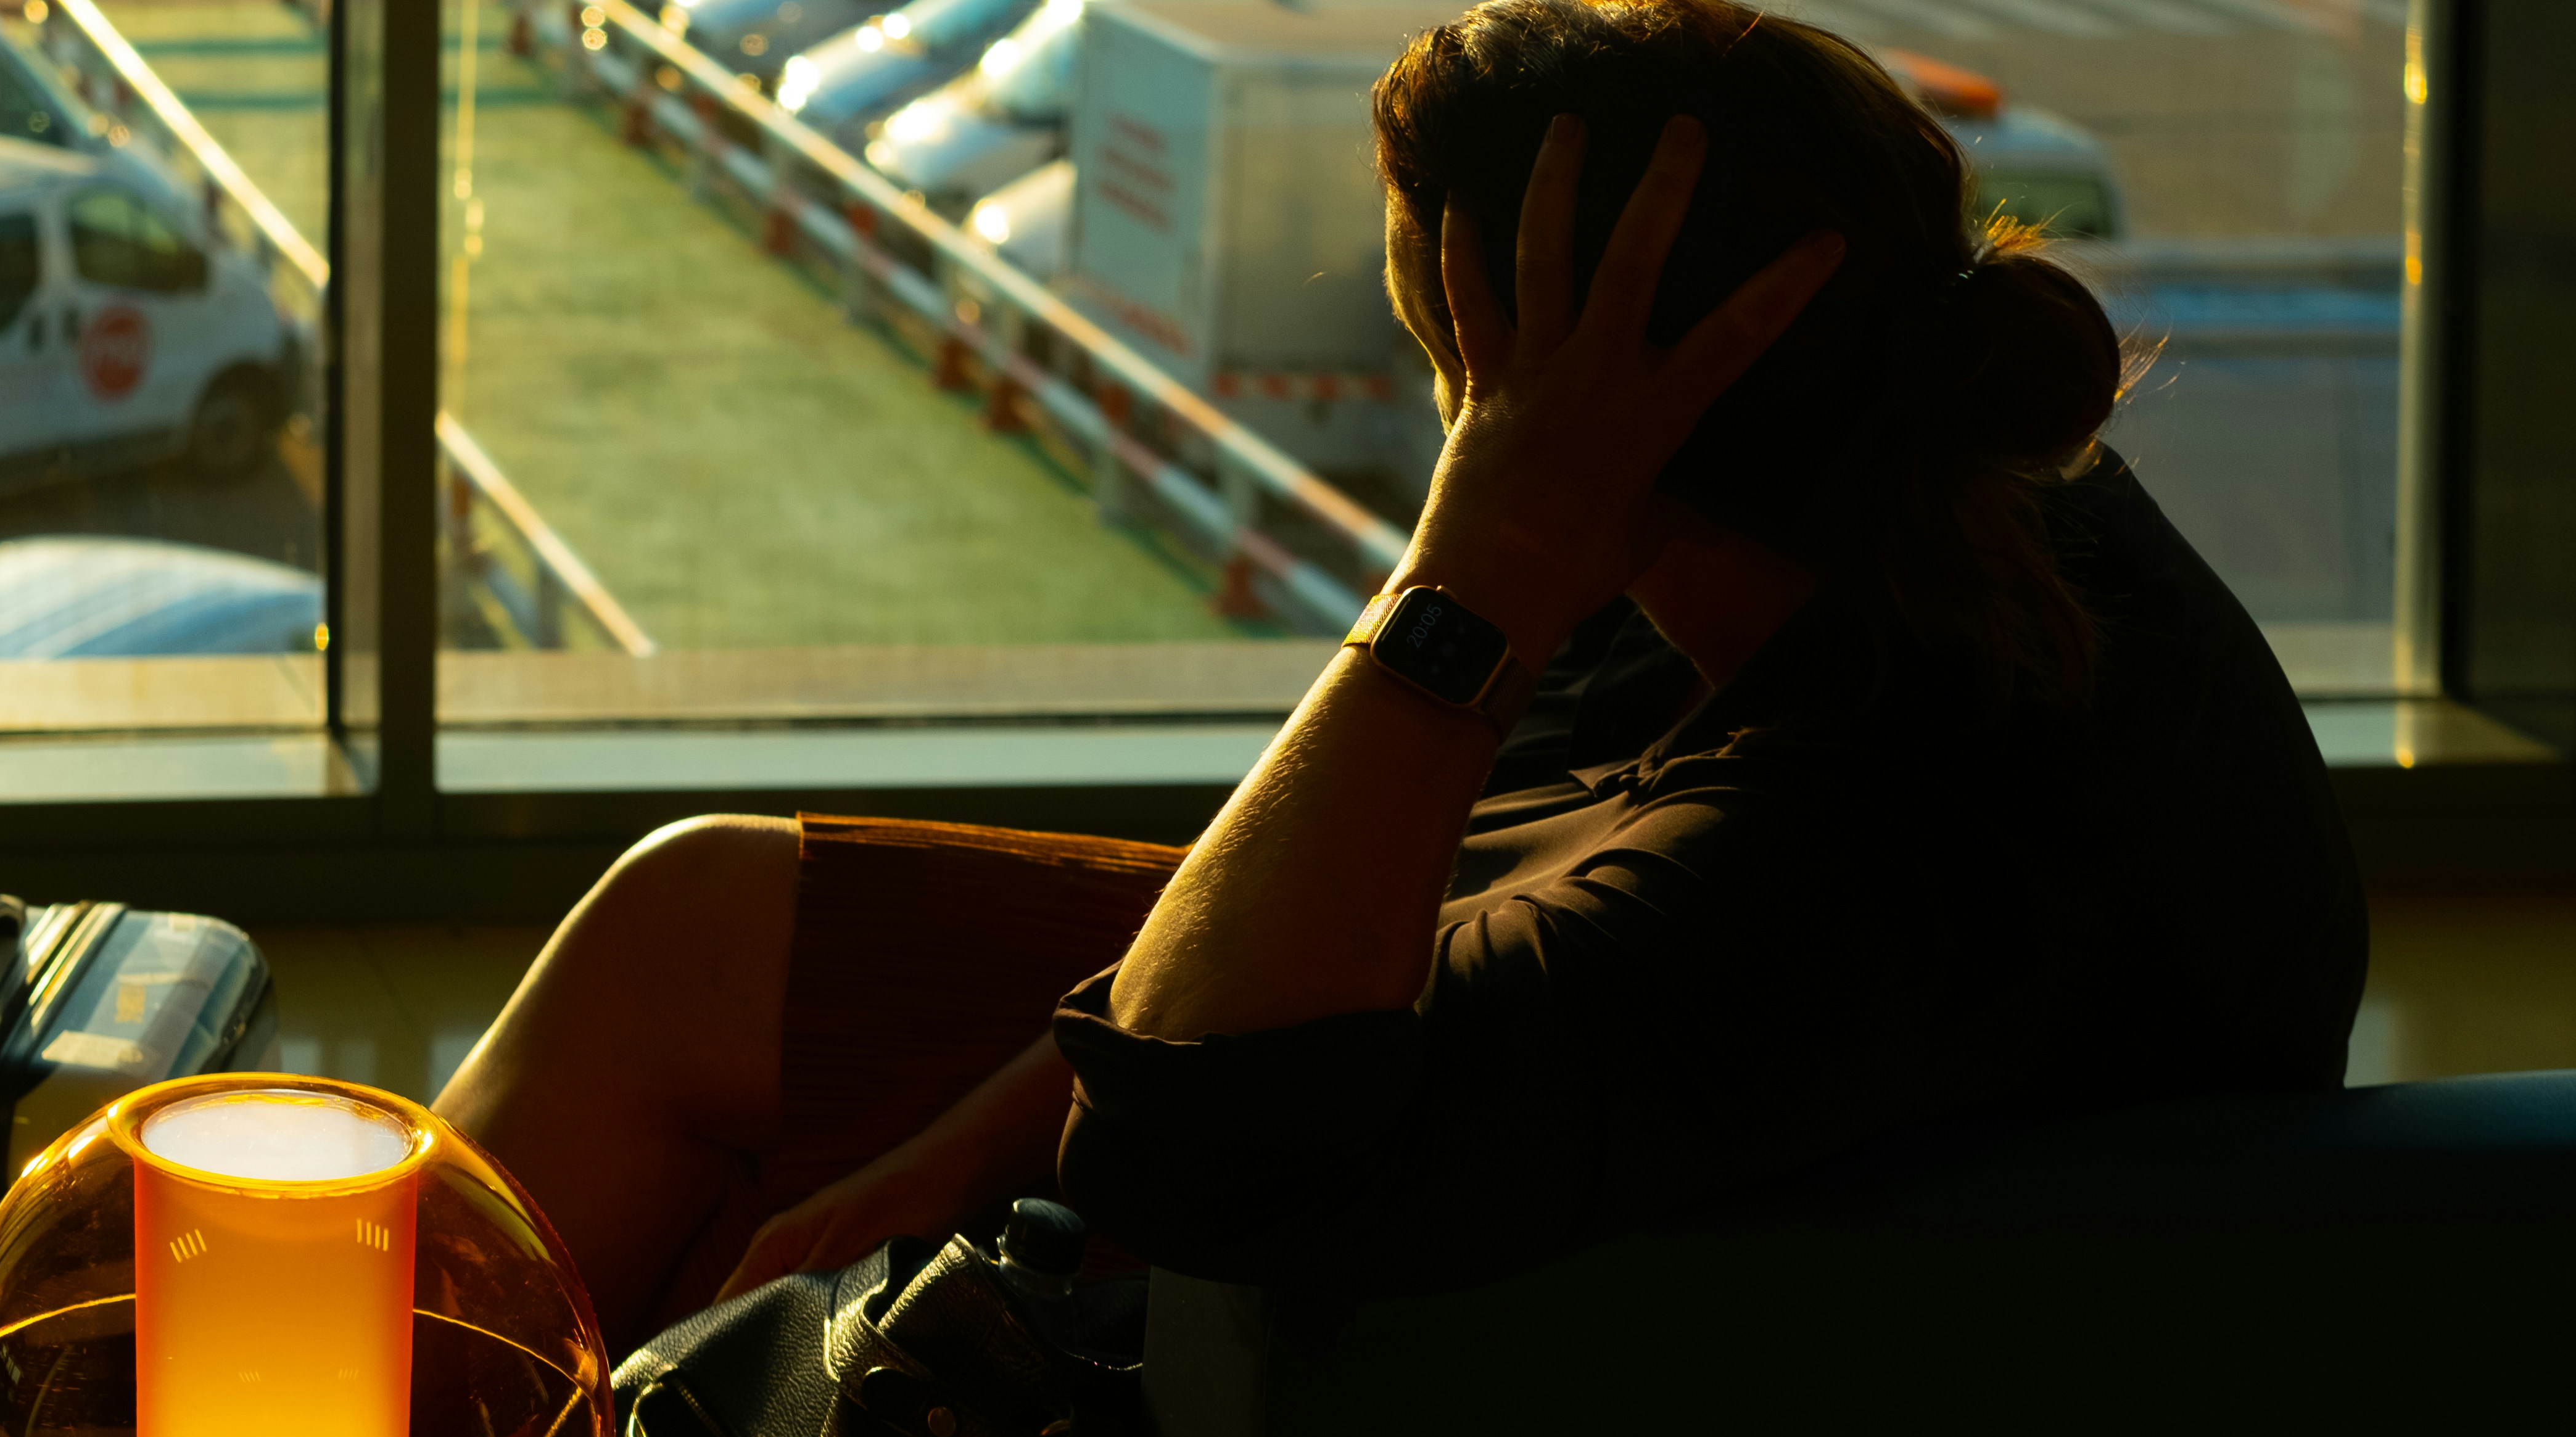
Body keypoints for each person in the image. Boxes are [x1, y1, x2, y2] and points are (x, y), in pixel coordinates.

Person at [435, 0, 2364, 1357]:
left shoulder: (1874, 838)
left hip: (1580, 1324)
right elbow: (1400, 856)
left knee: (685, 1095)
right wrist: (939, 1154)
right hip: (1555, 1099)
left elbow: (1188, 1133)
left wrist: (1476, 559)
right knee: (700, 935)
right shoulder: (1873, 517)